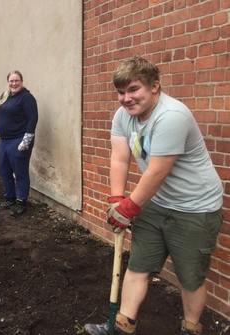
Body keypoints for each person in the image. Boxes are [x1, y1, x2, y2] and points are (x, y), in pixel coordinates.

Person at [84, 56, 223, 335]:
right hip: (155, 202)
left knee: (190, 278)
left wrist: (129, 207)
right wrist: (116, 199)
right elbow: (120, 159)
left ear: (154, 87)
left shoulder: (172, 116)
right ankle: (122, 326)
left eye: (134, 89)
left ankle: (190, 329)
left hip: (194, 207)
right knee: (138, 265)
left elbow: (157, 171)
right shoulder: (123, 115)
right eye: (121, 92)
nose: (126, 98)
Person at [0, 70, 38, 216]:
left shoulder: (27, 98)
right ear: (8, 82)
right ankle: (9, 198)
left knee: (20, 172)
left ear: (21, 81)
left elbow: (33, 119)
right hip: (4, 141)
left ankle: (21, 202)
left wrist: (26, 140)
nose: (14, 84)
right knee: (4, 170)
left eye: (17, 81)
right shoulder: (5, 95)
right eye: (11, 81)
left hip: (18, 140)